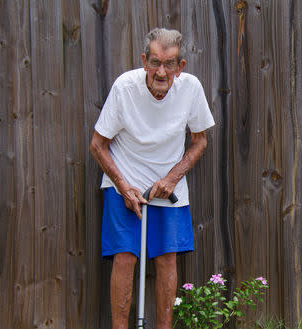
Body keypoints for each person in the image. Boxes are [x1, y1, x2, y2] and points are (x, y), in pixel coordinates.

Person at [90, 28, 215, 329]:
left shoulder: (191, 89)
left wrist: (172, 178)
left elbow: (200, 141)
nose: (161, 72)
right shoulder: (124, 88)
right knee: (125, 258)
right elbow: (97, 145)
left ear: (180, 66)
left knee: (167, 259)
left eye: (169, 63)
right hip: (125, 181)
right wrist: (122, 187)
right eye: (155, 62)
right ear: (144, 61)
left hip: (168, 186)